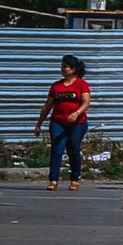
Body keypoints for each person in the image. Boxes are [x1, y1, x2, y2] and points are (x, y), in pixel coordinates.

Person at [34, 55, 93, 191]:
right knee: (57, 149)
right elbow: (47, 106)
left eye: (65, 66)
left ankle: (74, 179)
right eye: (62, 66)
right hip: (58, 123)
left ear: (73, 69)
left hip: (77, 123)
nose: (63, 69)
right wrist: (39, 124)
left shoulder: (81, 84)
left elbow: (86, 102)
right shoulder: (56, 86)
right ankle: (53, 180)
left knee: (73, 149)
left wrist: (76, 113)